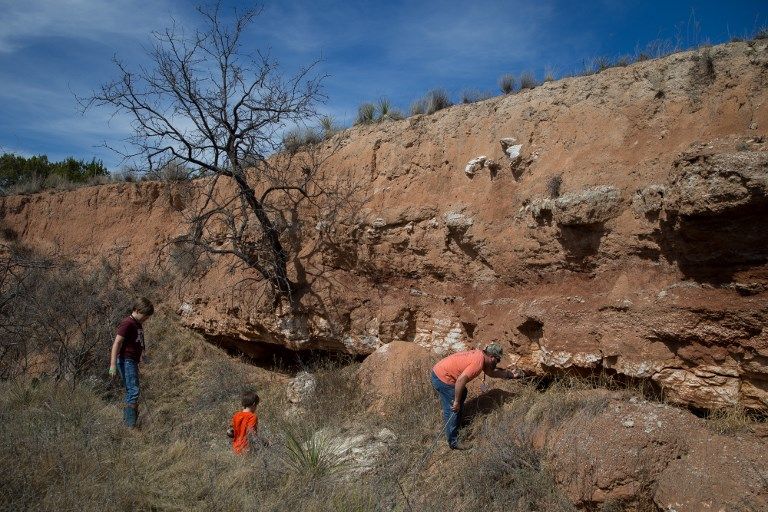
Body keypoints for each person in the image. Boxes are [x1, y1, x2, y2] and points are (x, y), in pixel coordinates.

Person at [431, 343, 521, 449]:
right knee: (453, 409)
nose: (497, 363)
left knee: (462, 393)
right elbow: (461, 381)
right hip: (443, 378)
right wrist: (456, 401)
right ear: (492, 357)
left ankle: (456, 424)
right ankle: (453, 443)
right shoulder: (477, 363)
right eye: (498, 360)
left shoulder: (481, 356)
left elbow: (491, 373)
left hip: (440, 371)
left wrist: (510, 375)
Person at [108, 297, 154, 428]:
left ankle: (130, 424)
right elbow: (117, 342)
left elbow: (138, 343)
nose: (146, 318)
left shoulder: (138, 324)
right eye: (145, 315)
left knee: (133, 391)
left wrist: (142, 356)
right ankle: (129, 426)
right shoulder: (127, 323)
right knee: (133, 391)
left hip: (132, 361)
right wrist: (112, 365)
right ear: (137, 310)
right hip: (126, 361)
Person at [227, 390, 260, 454]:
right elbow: (251, 433)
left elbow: (230, 432)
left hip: (235, 449)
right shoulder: (252, 417)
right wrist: (263, 442)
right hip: (247, 449)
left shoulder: (236, 415)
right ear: (254, 404)